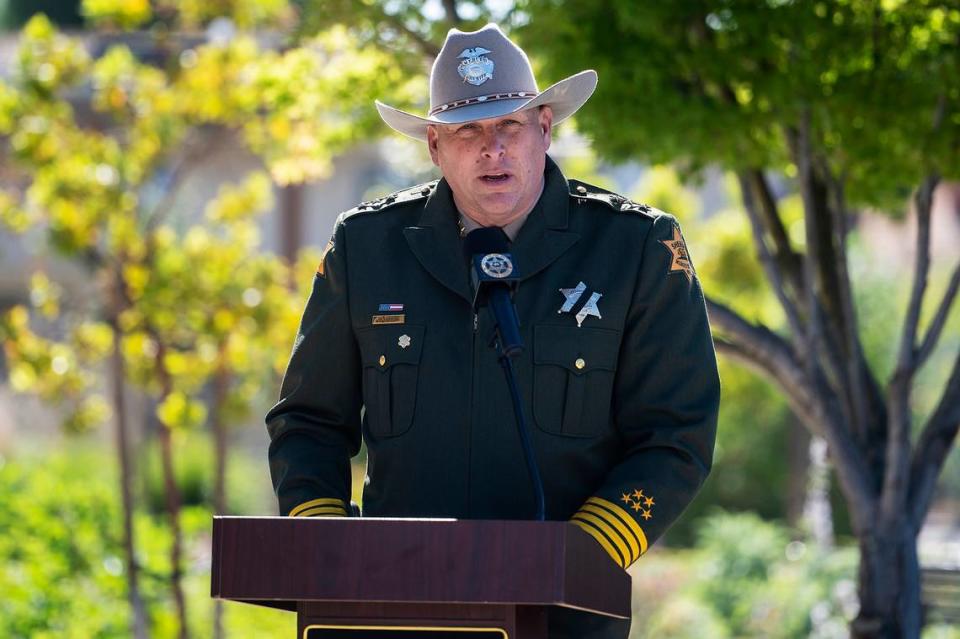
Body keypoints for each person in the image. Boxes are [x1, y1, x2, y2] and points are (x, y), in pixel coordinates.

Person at [266, 23, 719, 638]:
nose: (492, 150)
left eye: (510, 125)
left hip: (561, 617)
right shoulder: (367, 248)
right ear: (433, 145)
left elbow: (676, 435)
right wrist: (333, 549)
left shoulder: (635, 248)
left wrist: (575, 559)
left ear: (545, 130)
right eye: (467, 131)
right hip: (394, 614)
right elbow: (308, 422)